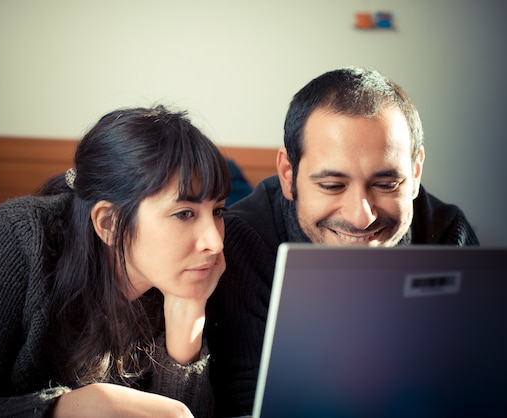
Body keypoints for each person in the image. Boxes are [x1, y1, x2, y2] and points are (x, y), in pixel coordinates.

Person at [0, 105, 231, 418]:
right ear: (109, 223)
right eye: (184, 213)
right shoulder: (17, 236)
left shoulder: (193, 273)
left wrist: (187, 319)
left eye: (217, 211)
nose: (214, 242)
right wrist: (69, 407)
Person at [206, 67, 480, 416]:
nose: (360, 216)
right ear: (288, 175)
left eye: (386, 184)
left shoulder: (446, 231)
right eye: (333, 185)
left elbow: (476, 376)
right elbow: (245, 405)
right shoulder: (245, 241)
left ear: (415, 173)